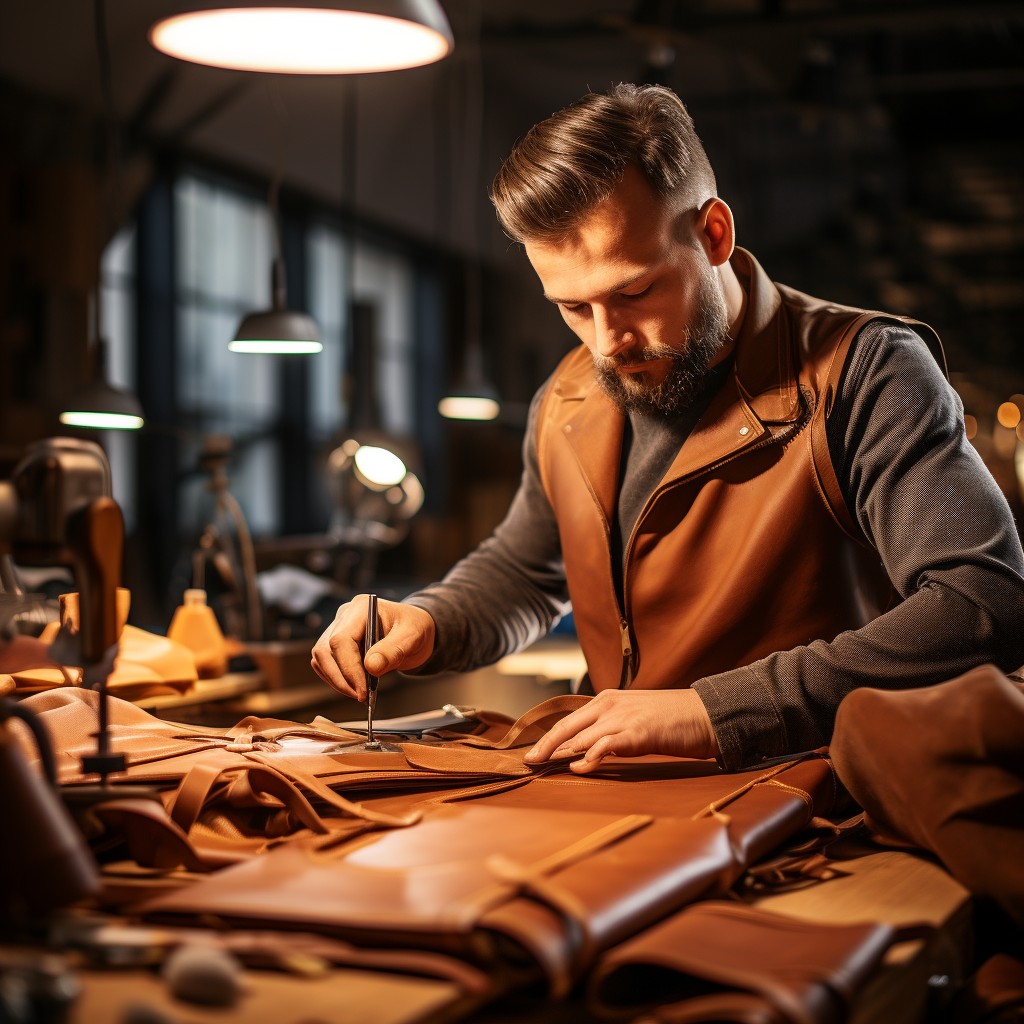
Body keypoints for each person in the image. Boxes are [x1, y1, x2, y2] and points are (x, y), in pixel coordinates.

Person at [312, 83, 1024, 772]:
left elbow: (981, 602)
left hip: (819, 798)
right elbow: (527, 570)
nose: (607, 342)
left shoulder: (865, 371)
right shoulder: (567, 397)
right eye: (573, 307)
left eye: (635, 292)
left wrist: (714, 712)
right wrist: (430, 621)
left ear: (713, 233)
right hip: (622, 792)